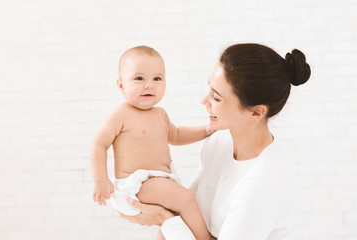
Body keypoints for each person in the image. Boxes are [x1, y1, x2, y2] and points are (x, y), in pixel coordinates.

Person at [120, 43, 311, 240]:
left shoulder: (260, 184)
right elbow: (189, 210)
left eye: (216, 98)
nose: (204, 101)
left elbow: (180, 220)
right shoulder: (220, 140)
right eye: (209, 89)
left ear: (256, 112)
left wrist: (164, 218)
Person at [90, 45, 214, 240]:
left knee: (175, 222)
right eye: (139, 78)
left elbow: (177, 135)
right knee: (187, 200)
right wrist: (100, 180)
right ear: (121, 85)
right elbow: (98, 145)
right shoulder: (121, 114)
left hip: (158, 180)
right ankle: (207, 239)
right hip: (136, 184)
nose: (149, 85)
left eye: (157, 78)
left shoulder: (160, 114)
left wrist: (205, 130)